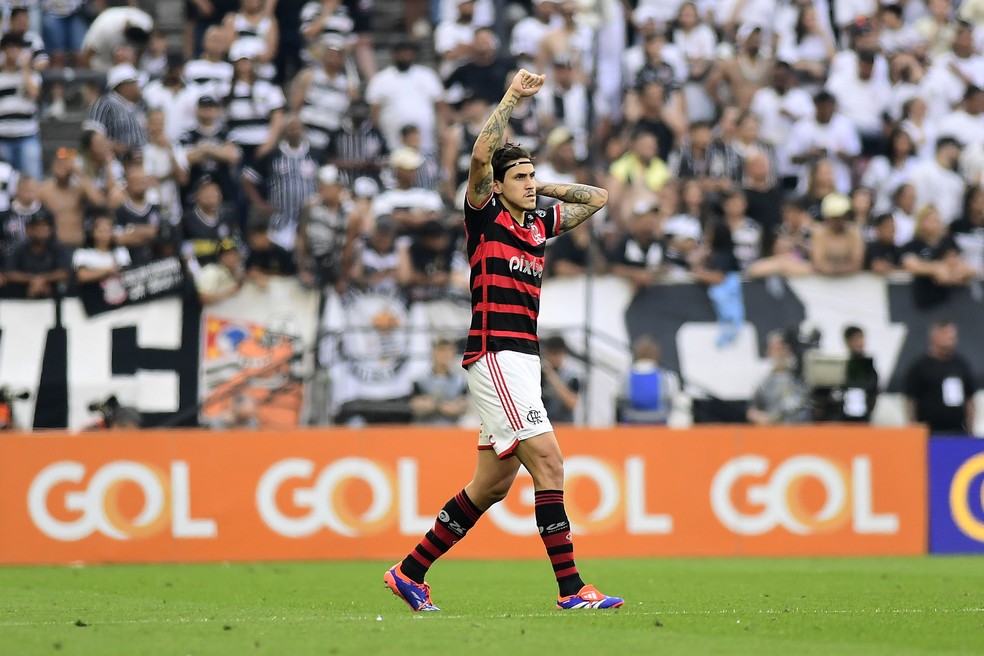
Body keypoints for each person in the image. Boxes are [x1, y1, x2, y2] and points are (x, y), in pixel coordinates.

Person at [384, 69, 622, 613]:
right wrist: (513, 97)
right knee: (551, 465)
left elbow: (598, 197)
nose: (530, 183)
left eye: (532, 175)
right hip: (496, 356)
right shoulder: (484, 216)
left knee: (490, 486)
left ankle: (409, 572)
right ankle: (571, 589)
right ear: (495, 185)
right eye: (520, 177)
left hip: (523, 361)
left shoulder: (536, 225)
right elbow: (479, 157)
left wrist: (540, 185)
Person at [904, 320, 977, 435]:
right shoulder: (920, 366)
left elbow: (969, 399)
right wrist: (914, 427)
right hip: (929, 432)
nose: (951, 338)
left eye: (953, 335)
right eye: (946, 334)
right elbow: (911, 399)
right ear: (934, 336)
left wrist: (970, 428)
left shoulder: (961, 365)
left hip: (957, 431)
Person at [747, 330, 811, 425]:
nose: (781, 353)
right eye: (776, 349)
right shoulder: (764, 384)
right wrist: (762, 418)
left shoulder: (800, 379)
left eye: (783, 348)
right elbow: (752, 411)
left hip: (801, 429)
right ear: (768, 351)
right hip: (775, 431)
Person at [409, 338, 470, 426]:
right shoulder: (420, 379)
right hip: (425, 428)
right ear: (434, 352)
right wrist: (445, 406)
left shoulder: (460, 381)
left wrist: (435, 404)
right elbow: (416, 405)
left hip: (451, 429)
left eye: (449, 351)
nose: (445, 355)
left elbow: (461, 406)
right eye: (442, 350)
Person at [840, 325, 879, 423]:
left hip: (863, 417)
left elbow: (873, 388)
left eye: (861, 338)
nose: (860, 343)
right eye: (855, 339)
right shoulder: (843, 365)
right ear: (848, 342)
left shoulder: (867, 366)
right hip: (844, 417)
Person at [540, 335, 580, 424]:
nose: (553, 358)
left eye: (556, 354)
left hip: (564, 426)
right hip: (545, 425)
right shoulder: (540, 375)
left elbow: (572, 403)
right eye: (550, 353)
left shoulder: (571, 377)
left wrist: (552, 376)